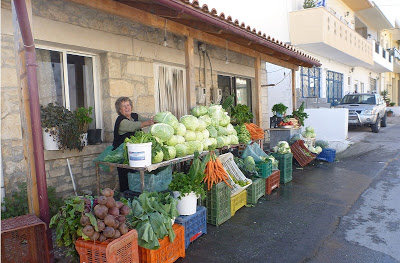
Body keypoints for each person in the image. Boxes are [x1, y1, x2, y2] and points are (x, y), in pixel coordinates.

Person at [112, 97, 155, 192]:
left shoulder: (134, 116)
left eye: (128, 105)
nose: (127, 107)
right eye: (123, 106)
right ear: (119, 110)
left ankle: (136, 196)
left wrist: (155, 120)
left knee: (136, 178)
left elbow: (146, 119)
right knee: (126, 178)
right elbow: (135, 126)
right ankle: (126, 198)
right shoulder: (121, 121)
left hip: (135, 154)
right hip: (123, 156)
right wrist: (148, 123)